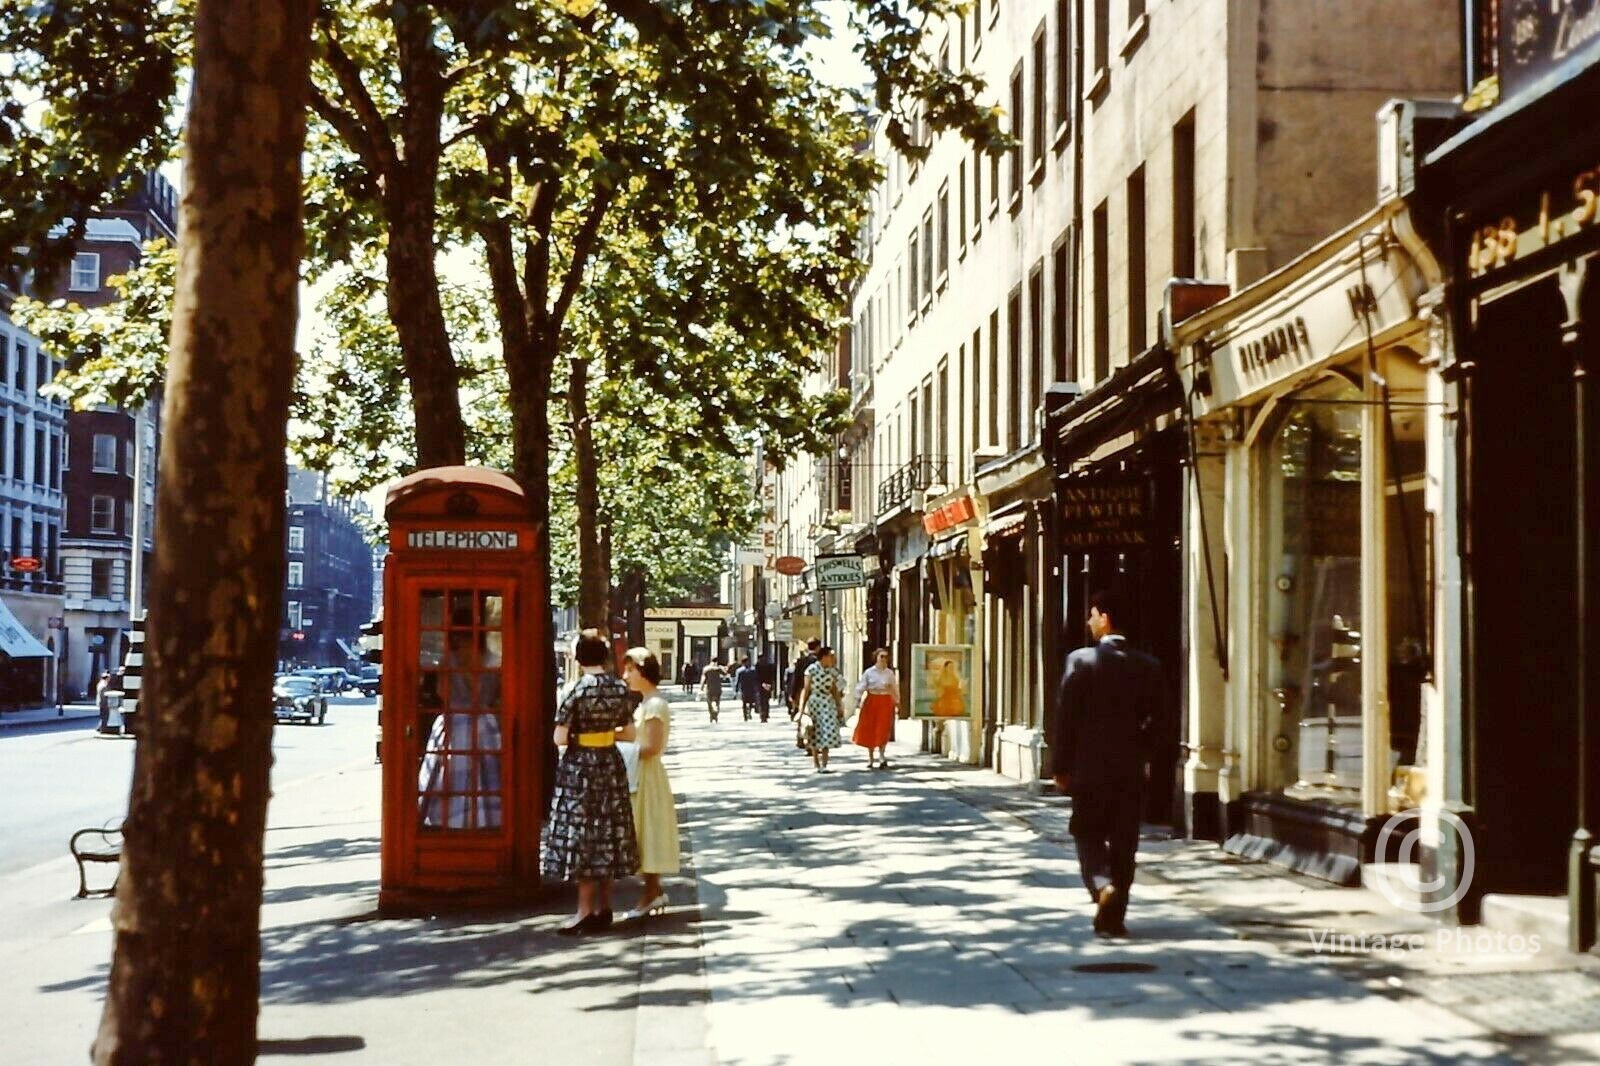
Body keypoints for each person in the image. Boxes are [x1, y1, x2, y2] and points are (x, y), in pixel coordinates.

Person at [1051, 589, 1162, 939]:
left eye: (1092, 614)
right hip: (1129, 770)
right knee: (1125, 841)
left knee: (1087, 833)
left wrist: (1060, 766)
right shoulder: (1149, 666)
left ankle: (1101, 886)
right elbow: (1159, 721)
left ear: (1106, 618)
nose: (1088, 621)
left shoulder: (1081, 661)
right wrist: (1144, 757)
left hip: (1089, 769)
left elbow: (1065, 717)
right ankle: (1115, 916)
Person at [543, 629, 639, 935]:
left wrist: (577, 737)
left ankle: (583, 910)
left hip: (580, 768)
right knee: (608, 832)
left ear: (580, 657)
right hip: (610, 763)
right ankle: (604, 907)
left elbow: (559, 737)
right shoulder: (619, 688)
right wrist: (605, 734)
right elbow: (630, 732)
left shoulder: (575, 690)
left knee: (583, 835)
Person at [620, 647, 679, 920]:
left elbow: (652, 747)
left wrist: (617, 747)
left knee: (648, 831)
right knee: (643, 832)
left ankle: (651, 893)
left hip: (647, 775)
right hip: (640, 773)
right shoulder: (646, 703)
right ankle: (653, 890)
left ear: (644, 671)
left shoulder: (654, 705)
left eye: (630, 670)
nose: (626, 675)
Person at [798, 645, 845, 772]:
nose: (833, 658)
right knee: (815, 732)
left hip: (828, 703)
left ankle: (825, 763)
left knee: (828, 731)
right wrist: (802, 709)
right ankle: (816, 762)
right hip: (815, 703)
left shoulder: (833, 671)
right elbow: (806, 689)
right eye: (831, 656)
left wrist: (839, 706)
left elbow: (835, 690)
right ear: (824, 657)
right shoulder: (811, 670)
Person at [851, 648, 899, 769]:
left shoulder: (889, 673)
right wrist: (857, 698)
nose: (883, 659)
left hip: (885, 701)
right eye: (881, 656)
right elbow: (861, 686)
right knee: (871, 729)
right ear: (876, 657)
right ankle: (871, 757)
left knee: (883, 728)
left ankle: (882, 756)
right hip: (872, 700)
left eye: (885, 657)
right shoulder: (869, 672)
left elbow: (894, 687)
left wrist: (897, 701)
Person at [786, 638, 821, 719]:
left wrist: (793, 694)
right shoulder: (821, 662)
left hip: (802, 692)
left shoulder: (801, 661)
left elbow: (796, 678)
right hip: (817, 693)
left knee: (804, 715)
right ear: (818, 647)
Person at [736, 656, 762, 721]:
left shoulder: (739, 671)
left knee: (744, 702)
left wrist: (736, 689)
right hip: (752, 688)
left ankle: (745, 715)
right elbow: (756, 679)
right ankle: (749, 712)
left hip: (744, 688)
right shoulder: (753, 670)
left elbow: (738, 680)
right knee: (750, 701)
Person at [754, 657, 777, 722]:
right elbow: (772, 676)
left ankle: (762, 715)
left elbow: (756, 676)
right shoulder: (769, 666)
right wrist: (770, 684)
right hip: (767, 685)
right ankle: (766, 714)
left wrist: (761, 684)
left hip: (761, 686)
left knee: (761, 701)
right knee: (766, 701)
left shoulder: (757, 665)